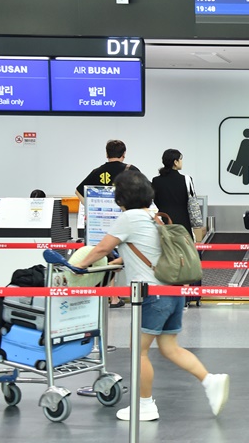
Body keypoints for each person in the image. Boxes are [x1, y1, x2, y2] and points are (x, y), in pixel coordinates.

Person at [72, 170, 229, 421]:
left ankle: (145, 405)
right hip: (172, 291)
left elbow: (102, 247)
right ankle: (210, 380)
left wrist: (78, 267)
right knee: (169, 347)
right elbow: (139, 251)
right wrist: (114, 264)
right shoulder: (153, 216)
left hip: (153, 295)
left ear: (121, 197)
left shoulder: (129, 217)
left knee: (139, 351)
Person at [76, 139, 140, 308]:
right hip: (122, 221)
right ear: (124, 154)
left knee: (104, 256)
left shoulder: (97, 171)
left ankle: (108, 295)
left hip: (100, 222)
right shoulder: (131, 170)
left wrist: (90, 207)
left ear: (106, 153)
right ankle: (120, 296)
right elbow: (145, 191)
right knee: (126, 256)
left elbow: (77, 190)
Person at [151, 149, 195, 238]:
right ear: (175, 162)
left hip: (164, 221)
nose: (181, 162)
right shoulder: (186, 180)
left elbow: (156, 201)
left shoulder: (156, 181)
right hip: (183, 222)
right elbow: (191, 200)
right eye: (180, 159)